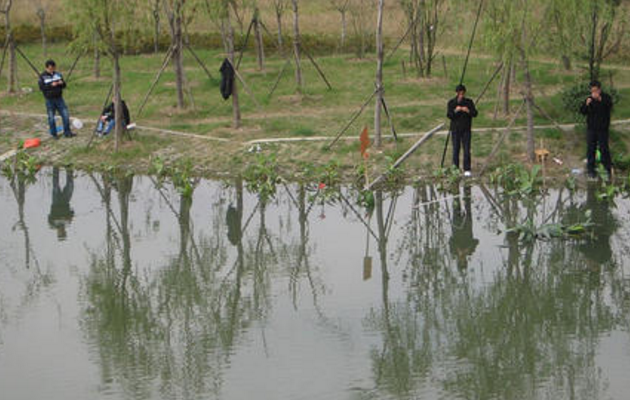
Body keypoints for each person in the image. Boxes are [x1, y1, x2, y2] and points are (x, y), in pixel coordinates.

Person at [580, 80, 614, 179]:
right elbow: (582, 111)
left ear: (599, 89)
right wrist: (586, 104)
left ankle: (607, 168)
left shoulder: (606, 97)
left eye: (596, 90)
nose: (594, 93)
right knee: (591, 149)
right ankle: (591, 170)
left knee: (604, 148)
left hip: (603, 128)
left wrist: (600, 99)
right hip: (591, 128)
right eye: (592, 91)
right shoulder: (589, 99)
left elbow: (609, 106)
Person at [38, 60, 76, 139]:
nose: (52, 70)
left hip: (59, 98)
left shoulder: (58, 74)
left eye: (53, 68)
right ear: (47, 68)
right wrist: (51, 85)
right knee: (51, 117)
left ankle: (67, 132)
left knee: (65, 115)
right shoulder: (42, 76)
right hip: (49, 99)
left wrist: (61, 83)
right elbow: (42, 88)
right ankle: (54, 134)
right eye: (50, 68)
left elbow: (64, 85)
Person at [447, 85, 478, 177]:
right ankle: (455, 169)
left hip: (466, 129)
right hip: (455, 130)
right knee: (456, 149)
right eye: (459, 93)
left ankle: (467, 169)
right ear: (456, 93)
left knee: (466, 149)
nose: (461, 95)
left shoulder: (469, 102)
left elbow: (475, 113)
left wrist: (468, 110)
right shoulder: (452, 102)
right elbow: (449, 115)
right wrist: (456, 110)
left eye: (462, 93)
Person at [48, 167, 75, 241]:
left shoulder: (52, 225)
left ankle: (55, 168)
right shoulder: (68, 223)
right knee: (70, 185)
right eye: (63, 233)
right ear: (65, 232)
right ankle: (69, 168)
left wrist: (59, 217)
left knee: (55, 185)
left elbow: (49, 216)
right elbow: (72, 212)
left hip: (56, 202)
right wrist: (67, 217)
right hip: (66, 202)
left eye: (61, 233)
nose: (61, 231)